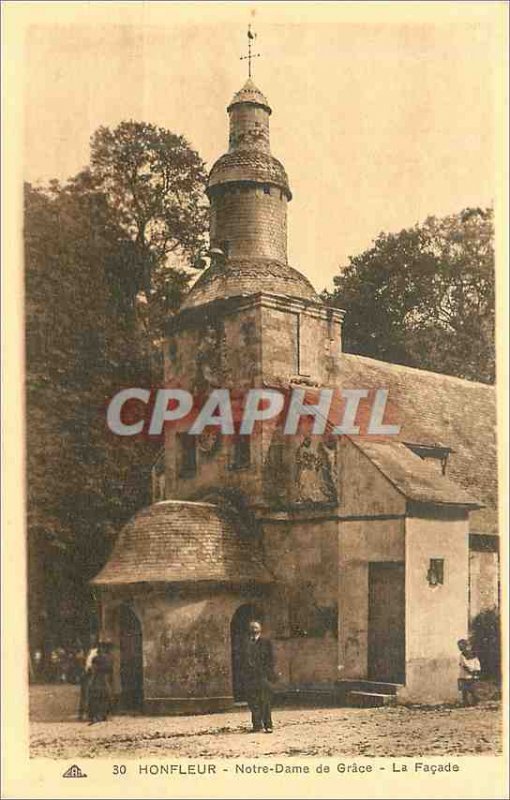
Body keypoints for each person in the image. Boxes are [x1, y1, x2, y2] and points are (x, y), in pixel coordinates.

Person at [241, 620, 277, 733]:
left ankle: (268, 725)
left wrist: (267, 673)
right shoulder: (246, 643)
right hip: (250, 677)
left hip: (262, 676)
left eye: (256, 628)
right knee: (253, 701)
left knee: (264, 700)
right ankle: (257, 725)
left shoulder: (266, 642)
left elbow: (271, 659)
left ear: (260, 629)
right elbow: (242, 659)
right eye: (252, 628)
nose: (254, 630)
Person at [88, 642, 113, 724]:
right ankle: (103, 715)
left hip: (97, 679)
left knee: (96, 698)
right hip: (105, 680)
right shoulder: (108, 658)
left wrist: (91, 679)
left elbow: (93, 669)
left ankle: (97, 715)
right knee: (105, 697)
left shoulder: (95, 659)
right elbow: (110, 670)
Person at [457, 638, 481, 706]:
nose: (462, 649)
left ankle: (475, 702)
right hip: (464, 675)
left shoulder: (474, 655)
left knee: (473, 689)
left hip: (473, 675)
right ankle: (465, 702)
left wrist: (476, 670)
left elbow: (477, 663)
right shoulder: (462, 656)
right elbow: (464, 665)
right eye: (460, 647)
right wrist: (471, 671)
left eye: (463, 647)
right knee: (464, 690)